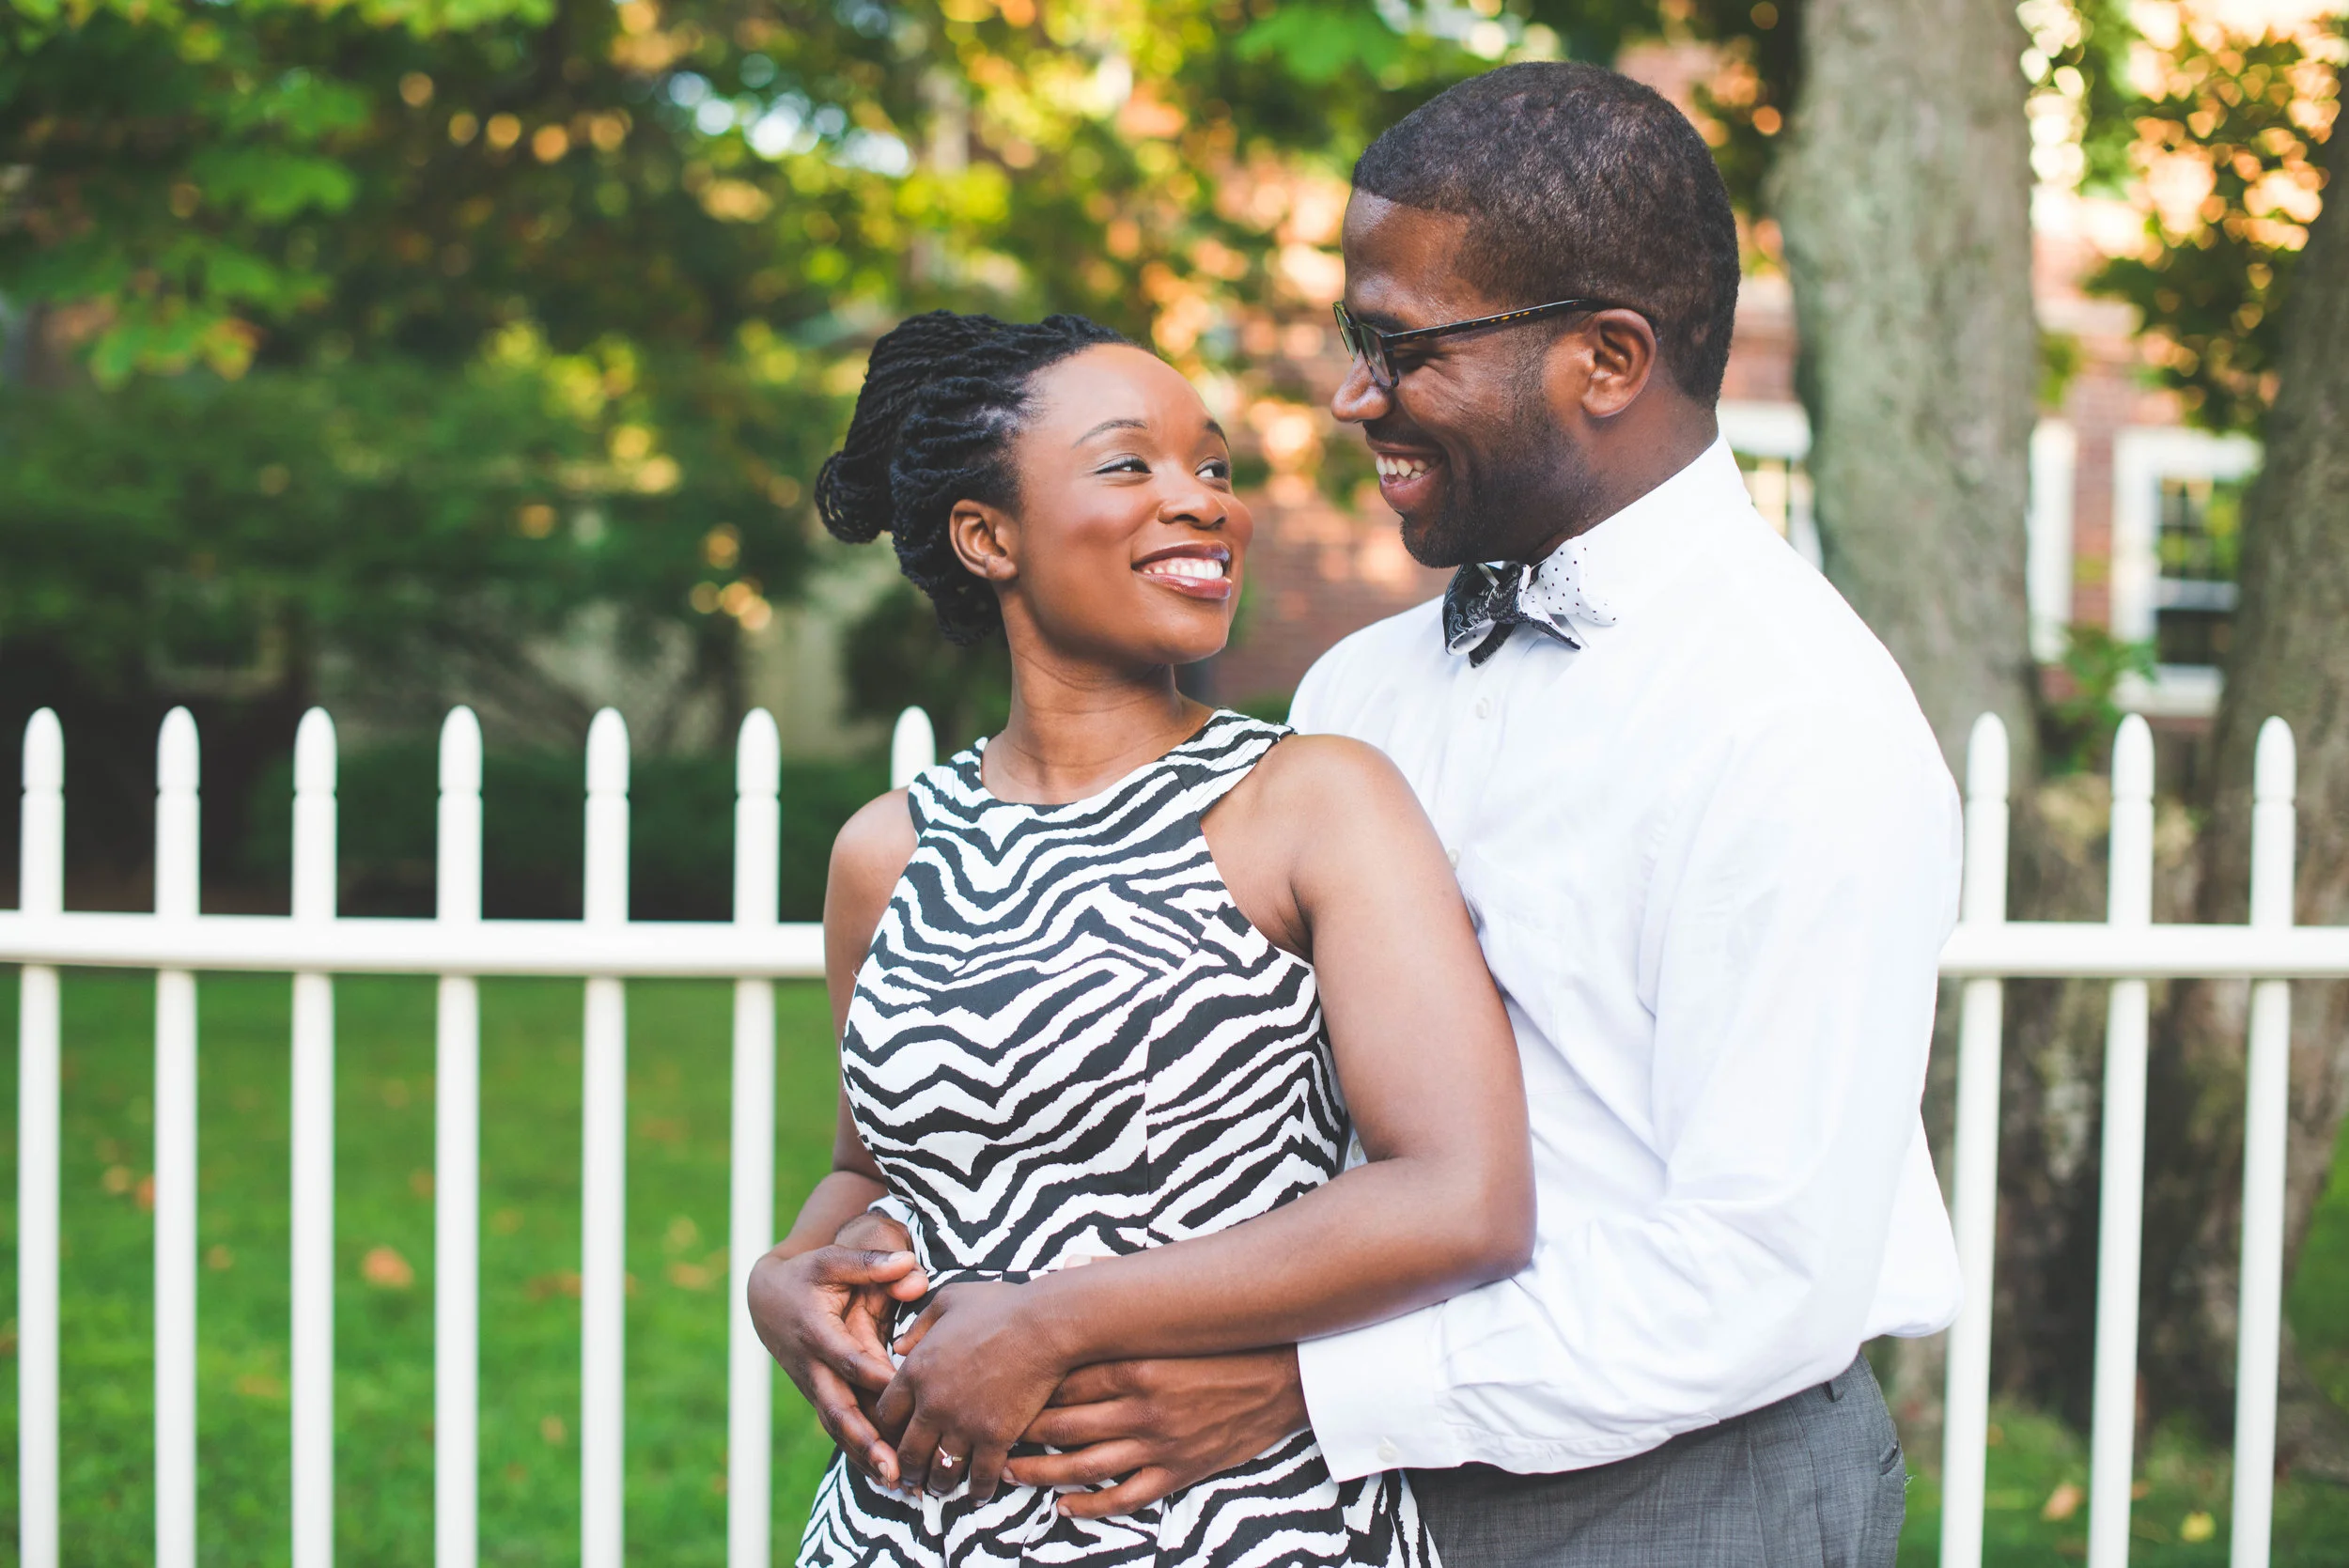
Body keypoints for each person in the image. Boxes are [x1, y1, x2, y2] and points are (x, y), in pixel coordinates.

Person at [763, 62, 1967, 1566]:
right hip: (1328, 1497)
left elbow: (1762, 1273)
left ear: (1606, 359)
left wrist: (1309, 1393)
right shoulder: (1361, 687)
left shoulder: (1800, 719)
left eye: (1404, 347)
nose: (1353, 396)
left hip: (1672, 1490)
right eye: (1357, 340)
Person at [748, 307, 1535, 1568]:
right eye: (1131, 464)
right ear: (987, 537)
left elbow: (1463, 1198)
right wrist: (786, 1274)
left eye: (1213, 467)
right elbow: (873, 1170)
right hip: (907, 1529)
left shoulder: (1310, 802)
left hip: (1229, 1525)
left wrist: (1052, 1321)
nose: (1202, 502)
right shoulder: (886, 851)